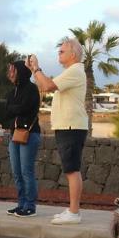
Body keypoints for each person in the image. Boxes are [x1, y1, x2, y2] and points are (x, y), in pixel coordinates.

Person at [28, 38, 88, 224]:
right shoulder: (72, 72)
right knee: (70, 169)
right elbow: (45, 85)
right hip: (68, 126)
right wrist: (33, 70)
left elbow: (46, 86)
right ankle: (72, 210)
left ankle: (74, 212)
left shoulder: (75, 70)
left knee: (72, 170)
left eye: (62, 51)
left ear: (73, 54)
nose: (58, 54)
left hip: (71, 126)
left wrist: (36, 68)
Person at [4, 59, 41, 216]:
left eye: (13, 70)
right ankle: (21, 204)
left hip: (29, 134)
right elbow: (7, 111)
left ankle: (30, 206)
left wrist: (14, 109)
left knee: (26, 172)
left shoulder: (32, 89)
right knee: (17, 172)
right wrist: (15, 110)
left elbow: (25, 108)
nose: (10, 74)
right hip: (14, 134)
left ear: (20, 71)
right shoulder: (12, 91)